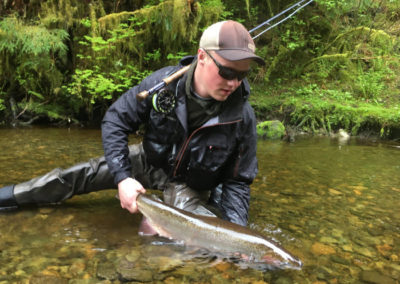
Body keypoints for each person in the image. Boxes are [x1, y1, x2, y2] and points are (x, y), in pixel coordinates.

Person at [0, 20, 264, 226]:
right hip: (152, 161)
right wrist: (123, 177)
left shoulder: (242, 116)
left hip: (192, 185)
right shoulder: (161, 86)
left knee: (198, 239)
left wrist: (236, 235)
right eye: (227, 72)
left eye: (242, 75)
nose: (234, 83)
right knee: (81, 174)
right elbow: (115, 120)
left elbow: (238, 182)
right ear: (202, 57)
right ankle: (11, 197)